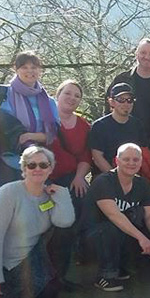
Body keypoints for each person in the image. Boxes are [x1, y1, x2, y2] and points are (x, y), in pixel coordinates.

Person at [0, 146, 74, 298]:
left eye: (43, 165)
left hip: (33, 253)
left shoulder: (50, 194)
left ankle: (57, 278)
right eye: (31, 165)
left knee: (62, 233)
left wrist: (63, 195)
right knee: (47, 295)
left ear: (50, 169)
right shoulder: (8, 193)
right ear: (24, 168)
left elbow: (65, 222)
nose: (38, 169)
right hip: (8, 264)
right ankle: (7, 287)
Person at [0, 51, 59, 201]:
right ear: (16, 69)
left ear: (40, 70)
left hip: (33, 163)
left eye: (34, 67)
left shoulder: (48, 101)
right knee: (0, 205)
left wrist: (28, 137)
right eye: (24, 67)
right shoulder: (0, 93)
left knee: (30, 205)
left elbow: (52, 134)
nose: (29, 71)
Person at [85, 143, 150, 292]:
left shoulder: (141, 183)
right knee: (112, 228)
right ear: (116, 160)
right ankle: (105, 275)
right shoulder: (103, 181)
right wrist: (141, 238)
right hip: (93, 237)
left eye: (135, 159)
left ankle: (123, 267)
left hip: (118, 234)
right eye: (126, 159)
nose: (131, 163)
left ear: (141, 162)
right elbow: (114, 215)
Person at [107, 38, 150, 161]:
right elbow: (108, 108)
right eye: (143, 53)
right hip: (122, 141)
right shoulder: (122, 80)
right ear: (136, 54)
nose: (147, 57)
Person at [49, 80, 91, 218]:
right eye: (67, 93)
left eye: (77, 96)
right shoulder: (43, 120)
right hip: (42, 177)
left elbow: (86, 156)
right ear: (58, 95)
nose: (72, 98)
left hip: (70, 178)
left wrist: (79, 177)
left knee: (84, 199)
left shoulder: (84, 126)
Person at [88, 83, 147, 174]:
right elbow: (97, 158)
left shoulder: (137, 125)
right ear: (111, 102)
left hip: (131, 177)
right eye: (121, 100)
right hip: (104, 178)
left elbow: (141, 154)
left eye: (129, 100)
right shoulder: (99, 126)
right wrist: (115, 178)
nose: (126, 103)